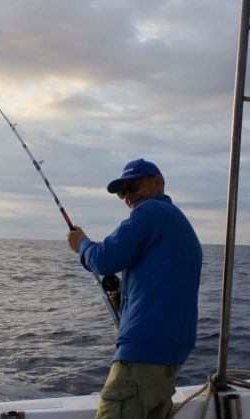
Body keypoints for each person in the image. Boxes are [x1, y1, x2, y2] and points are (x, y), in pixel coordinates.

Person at [67, 158, 203, 419]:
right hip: (169, 358)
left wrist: (81, 244)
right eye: (122, 192)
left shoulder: (149, 213)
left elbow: (104, 259)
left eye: (133, 187)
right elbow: (164, 286)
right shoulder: (178, 224)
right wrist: (125, 302)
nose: (128, 196)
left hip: (141, 355)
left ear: (158, 183)